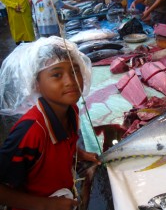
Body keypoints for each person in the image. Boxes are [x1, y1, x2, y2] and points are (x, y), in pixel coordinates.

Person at [0, 36, 100, 210]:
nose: (70, 81)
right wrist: (46, 205)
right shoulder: (30, 132)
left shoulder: (71, 110)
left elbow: (61, 145)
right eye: (56, 74)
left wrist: (78, 153)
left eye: (75, 70)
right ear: (36, 84)